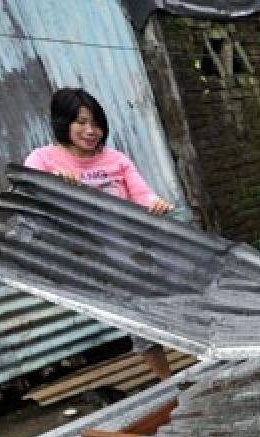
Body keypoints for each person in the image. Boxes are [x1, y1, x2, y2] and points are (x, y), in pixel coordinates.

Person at [25, 87, 174, 381]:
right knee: (139, 322)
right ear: (62, 122)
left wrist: (155, 204)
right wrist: (52, 182)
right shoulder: (43, 159)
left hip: (132, 251)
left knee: (168, 311)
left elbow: (141, 194)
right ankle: (169, 383)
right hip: (90, 259)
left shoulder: (116, 159)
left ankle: (195, 372)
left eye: (96, 123)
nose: (91, 131)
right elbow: (28, 192)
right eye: (81, 122)